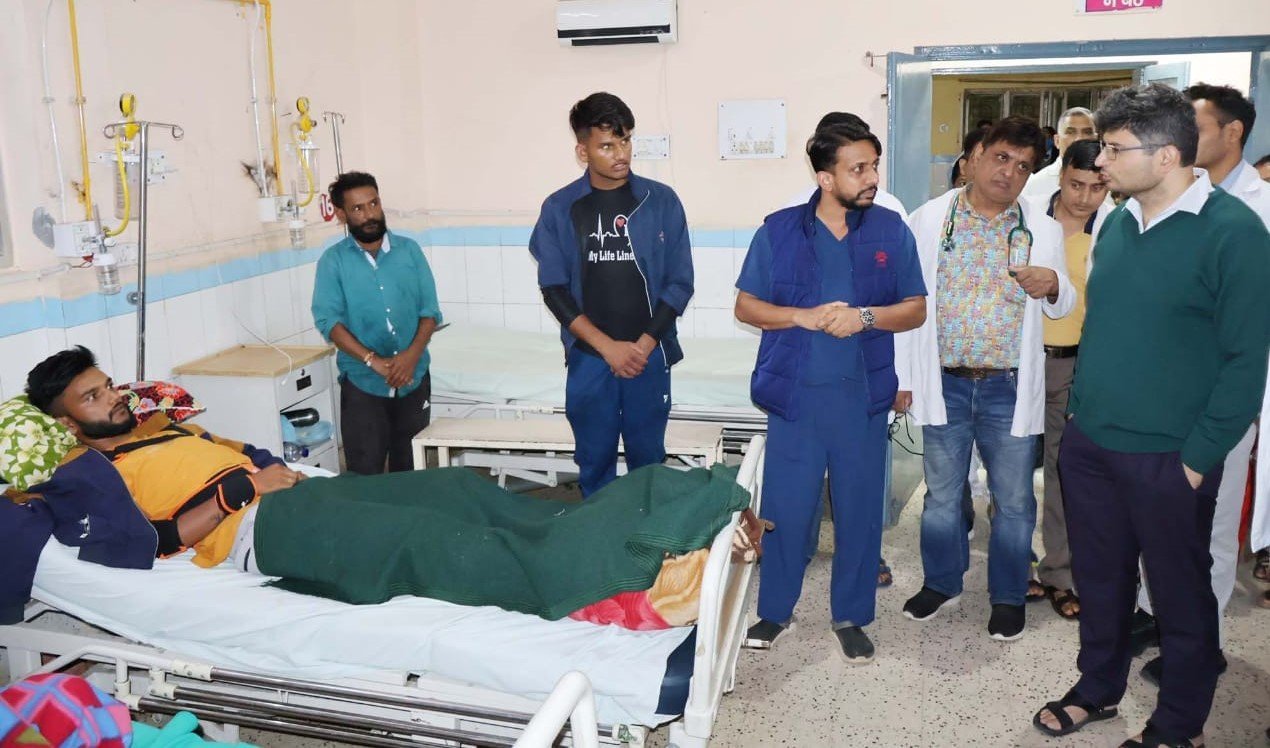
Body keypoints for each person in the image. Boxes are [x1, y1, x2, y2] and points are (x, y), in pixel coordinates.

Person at [18, 347, 746, 628]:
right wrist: (242, 491)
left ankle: (661, 515)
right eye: (92, 398)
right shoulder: (89, 474)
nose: (113, 398)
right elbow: (151, 542)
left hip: (301, 496)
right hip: (260, 528)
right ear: (66, 424)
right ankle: (622, 582)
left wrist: (270, 467)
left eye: (107, 384)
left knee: (458, 490)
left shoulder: (155, 427)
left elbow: (245, 451)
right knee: (425, 540)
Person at [1034, 83, 1270, 748]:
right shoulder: (1116, 221)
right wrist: (1079, 423)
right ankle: (1097, 689)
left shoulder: (1234, 233)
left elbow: (1246, 362)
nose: (1101, 162)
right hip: (1092, 445)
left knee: (1180, 596)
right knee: (1102, 582)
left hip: (1171, 455)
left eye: (1115, 149)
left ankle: (1179, 725)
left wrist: (1197, 459)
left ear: (1166, 156)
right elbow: (1106, 327)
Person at [735, 120, 927, 662]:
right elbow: (745, 306)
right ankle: (775, 612)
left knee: (860, 512)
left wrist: (864, 317)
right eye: (857, 169)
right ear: (825, 177)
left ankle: (851, 615)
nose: (871, 178)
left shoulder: (890, 230)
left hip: (861, 402)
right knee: (787, 510)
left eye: (873, 166)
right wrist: (799, 315)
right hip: (795, 401)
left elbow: (915, 309)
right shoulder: (779, 230)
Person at [894, 116, 1074, 642]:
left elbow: (1065, 302)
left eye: (1023, 166)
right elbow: (907, 301)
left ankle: (1008, 595)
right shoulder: (929, 220)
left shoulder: (1041, 229)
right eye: (1001, 157)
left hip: (1009, 387)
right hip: (944, 381)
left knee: (1014, 500)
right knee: (942, 497)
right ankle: (941, 582)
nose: (1010, 172)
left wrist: (1053, 283)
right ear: (973, 157)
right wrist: (904, 376)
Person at [1125, 82, 1270, 683]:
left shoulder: (1257, 210)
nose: (1181, 135)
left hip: (1219, 399)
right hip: (1159, 398)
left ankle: (1199, 644)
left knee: (1208, 526)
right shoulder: (1167, 197)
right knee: (1154, 516)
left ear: (1232, 133)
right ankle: (1155, 615)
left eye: (1196, 125)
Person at [529, 92, 694, 498]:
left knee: (648, 464)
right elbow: (554, 289)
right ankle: (597, 533)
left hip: (648, 355)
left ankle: (647, 534)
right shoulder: (560, 208)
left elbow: (680, 283)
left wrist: (643, 345)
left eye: (626, 141)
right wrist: (608, 349)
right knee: (594, 461)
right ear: (582, 151)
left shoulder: (660, 201)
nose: (621, 154)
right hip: (590, 358)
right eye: (606, 146)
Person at [311, 172, 441, 475]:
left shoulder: (409, 251)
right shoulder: (333, 261)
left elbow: (430, 311)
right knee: (364, 472)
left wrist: (410, 357)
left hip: (413, 377)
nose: (369, 214)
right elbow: (329, 322)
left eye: (373, 204)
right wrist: (373, 361)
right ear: (341, 215)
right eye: (357, 208)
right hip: (363, 382)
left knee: (410, 470)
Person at [1033, 139, 1111, 621]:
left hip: (1077, 366)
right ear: (1060, 175)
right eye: (1076, 185)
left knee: (1063, 471)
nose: (1084, 198)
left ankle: (1059, 574)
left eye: (1096, 187)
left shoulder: (1116, 228)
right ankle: (1014, 564)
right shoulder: (1030, 218)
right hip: (1021, 363)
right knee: (1010, 472)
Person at [1022, 107, 1098, 202]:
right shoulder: (1034, 186)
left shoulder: (1108, 182)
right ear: (1057, 141)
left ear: (1096, 139)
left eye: (1087, 132)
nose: (1079, 139)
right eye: (1071, 132)